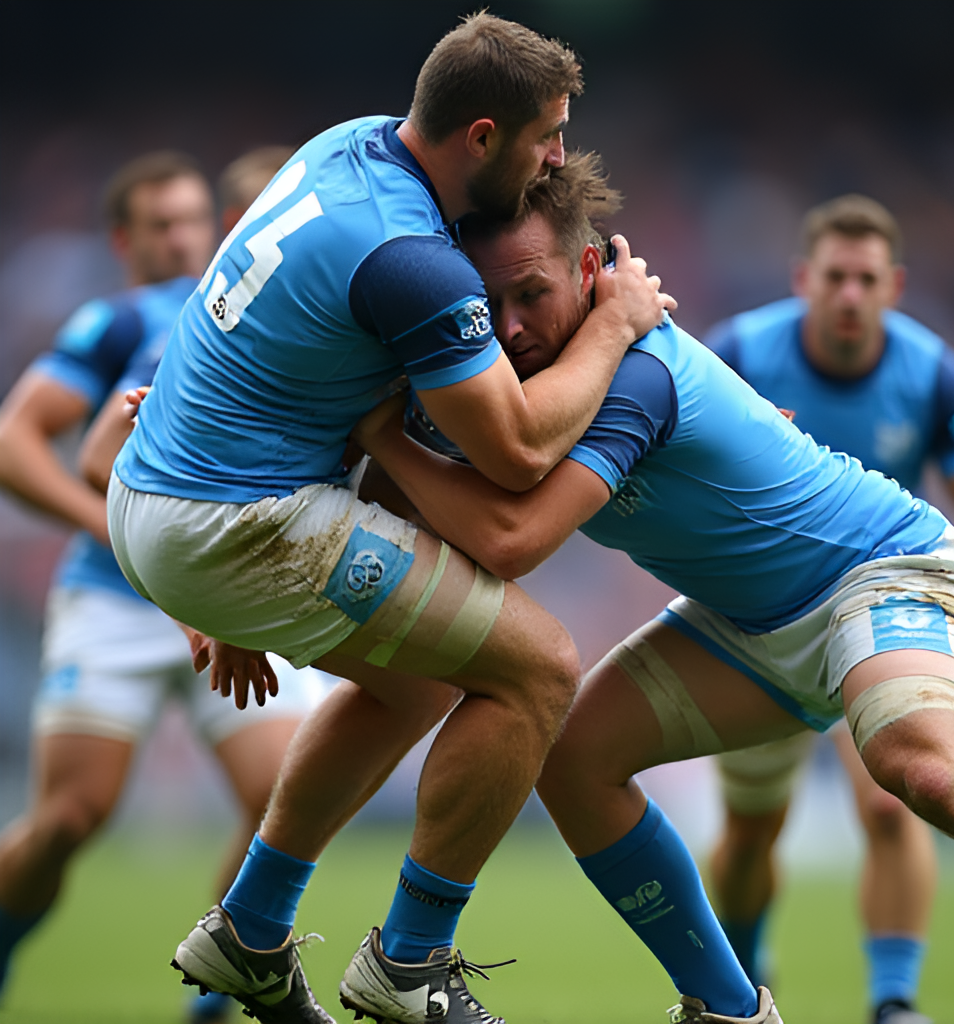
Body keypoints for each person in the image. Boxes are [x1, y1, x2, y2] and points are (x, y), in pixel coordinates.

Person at [351, 154, 954, 1022]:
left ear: (590, 271)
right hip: (745, 622)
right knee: (573, 762)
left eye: (532, 295)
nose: (511, 328)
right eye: (492, 304)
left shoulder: (637, 371)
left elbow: (510, 539)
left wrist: (385, 437)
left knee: (920, 770)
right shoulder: (513, 388)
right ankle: (730, 1009)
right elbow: (397, 492)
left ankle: (891, 995)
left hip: (881, 568)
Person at [107, 14, 674, 1024]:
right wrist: (619, 324)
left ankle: (249, 928)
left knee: (414, 684)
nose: (558, 156)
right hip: (240, 518)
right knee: (539, 667)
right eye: (547, 134)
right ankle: (410, 961)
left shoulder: (347, 142)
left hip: (167, 495)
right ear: (483, 136)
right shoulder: (410, 257)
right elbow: (519, 449)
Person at [0, 150, 330, 1024]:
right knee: (71, 817)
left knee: (288, 801)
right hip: (116, 599)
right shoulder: (128, 322)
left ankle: (215, 999)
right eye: (164, 223)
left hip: (233, 597)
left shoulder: (301, 310)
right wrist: (110, 526)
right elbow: (29, 444)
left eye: (192, 219)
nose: (182, 237)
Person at [700, 194, 954, 1024]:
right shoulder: (736, 351)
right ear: (805, 279)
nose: (850, 294)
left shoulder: (932, 372)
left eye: (866, 279)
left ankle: (893, 1003)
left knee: (893, 799)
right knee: (751, 832)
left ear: (895, 286)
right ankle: (743, 976)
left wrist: (935, 595)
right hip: (758, 615)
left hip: (875, 614)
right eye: (835, 277)